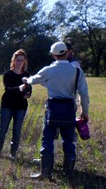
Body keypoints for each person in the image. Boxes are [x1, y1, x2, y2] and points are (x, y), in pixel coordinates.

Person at [23, 42, 90, 180]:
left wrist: (26, 79)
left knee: (47, 140)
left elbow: (33, 80)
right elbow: (84, 93)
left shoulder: (49, 70)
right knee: (69, 141)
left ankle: (45, 173)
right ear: (67, 53)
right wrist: (85, 111)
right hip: (69, 110)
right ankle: (69, 172)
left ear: (53, 55)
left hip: (53, 110)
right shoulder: (77, 71)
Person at [0, 49, 32, 159]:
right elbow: (8, 89)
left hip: (21, 106)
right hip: (7, 105)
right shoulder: (8, 74)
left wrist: (28, 94)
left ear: (24, 62)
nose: (19, 62)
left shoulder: (27, 75)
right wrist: (19, 88)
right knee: (2, 129)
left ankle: (13, 154)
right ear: (13, 61)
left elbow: (29, 89)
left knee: (17, 131)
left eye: (22, 60)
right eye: (17, 60)